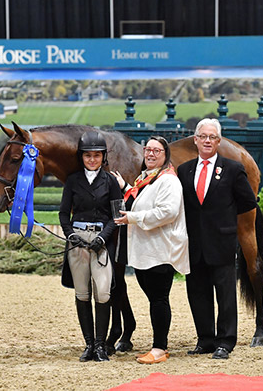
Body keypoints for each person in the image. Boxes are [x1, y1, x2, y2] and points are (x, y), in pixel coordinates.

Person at [177, 118, 257, 360]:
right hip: (194, 243)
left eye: (212, 137)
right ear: (196, 140)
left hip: (221, 241)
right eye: (203, 137)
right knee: (197, 292)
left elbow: (247, 202)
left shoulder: (232, 169)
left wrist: (225, 221)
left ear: (219, 141)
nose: (208, 141)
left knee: (225, 294)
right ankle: (206, 340)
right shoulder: (184, 170)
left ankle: (225, 341)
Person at [113, 136, 189, 365]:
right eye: (148, 149)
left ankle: (160, 348)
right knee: (154, 298)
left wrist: (133, 218)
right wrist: (125, 187)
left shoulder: (169, 181)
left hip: (161, 250)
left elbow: (168, 212)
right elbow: (143, 200)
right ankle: (158, 345)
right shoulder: (147, 178)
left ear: (165, 155)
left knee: (159, 299)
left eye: (156, 151)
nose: (151, 154)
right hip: (147, 250)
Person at [59, 131, 122, 362]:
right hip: (77, 240)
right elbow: (64, 213)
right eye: (88, 156)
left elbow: (116, 216)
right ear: (82, 157)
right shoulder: (73, 181)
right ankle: (88, 344)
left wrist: (103, 238)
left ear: (103, 157)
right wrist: (70, 235)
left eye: (96, 156)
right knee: (82, 293)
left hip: (100, 241)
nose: (92, 160)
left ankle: (101, 345)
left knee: (103, 292)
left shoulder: (111, 181)